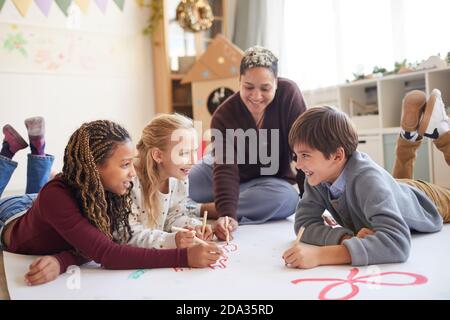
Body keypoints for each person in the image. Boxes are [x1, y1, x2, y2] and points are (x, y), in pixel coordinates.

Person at [0, 119, 221, 286]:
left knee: (40, 196)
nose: (134, 174)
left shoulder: (107, 190)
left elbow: (97, 241)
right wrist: (184, 257)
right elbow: (108, 253)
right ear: (95, 167)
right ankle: (9, 153)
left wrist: (62, 259)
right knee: (41, 194)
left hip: (42, 208)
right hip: (10, 217)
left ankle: (38, 153)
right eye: (125, 164)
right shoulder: (56, 198)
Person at [282, 97, 449, 269]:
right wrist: (344, 238)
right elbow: (303, 224)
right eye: (297, 156)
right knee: (393, 185)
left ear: (337, 156)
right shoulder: (317, 178)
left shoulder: (368, 181)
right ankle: (409, 136)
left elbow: (397, 243)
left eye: (305, 155)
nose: (298, 165)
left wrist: (321, 255)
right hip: (393, 188)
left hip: (427, 199)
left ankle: (442, 130)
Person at [189, 46, 307, 241]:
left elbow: (305, 151)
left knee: (289, 199)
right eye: (248, 87)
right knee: (184, 183)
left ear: (276, 83)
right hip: (223, 168)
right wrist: (227, 213)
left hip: (266, 179)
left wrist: (313, 208)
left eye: (265, 88)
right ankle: (221, 201)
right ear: (239, 82)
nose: (256, 96)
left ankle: (203, 208)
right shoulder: (224, 115)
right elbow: (225, 167)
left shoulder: (289, 95)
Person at [125, 113, 215, 249]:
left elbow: (174, 216)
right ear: (158, 155)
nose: (193, 161)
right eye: (184, 153)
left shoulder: (179, 176)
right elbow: (126, 235)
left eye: (195, 151)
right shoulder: (129, 181)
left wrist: (194, 226)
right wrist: (171, 240)